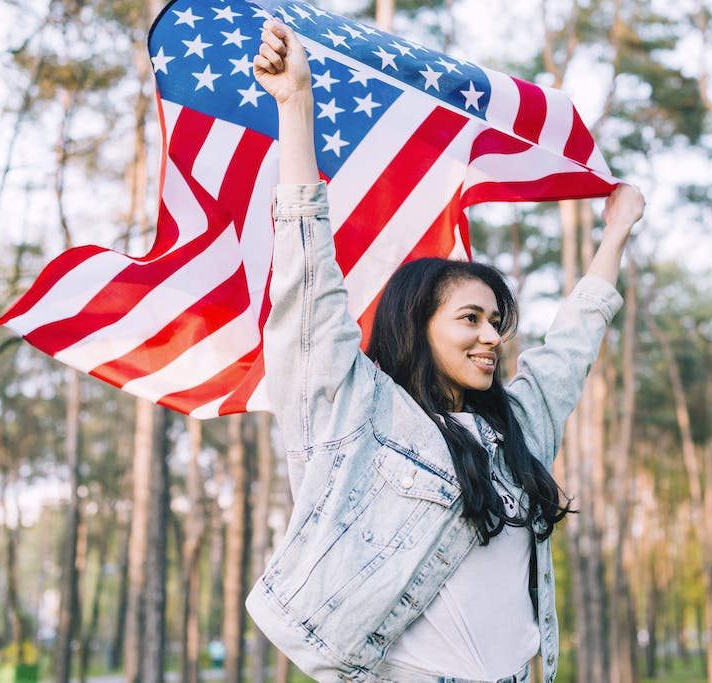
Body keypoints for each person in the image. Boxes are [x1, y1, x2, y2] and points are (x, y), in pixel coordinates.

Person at [246, 19, 645, 683]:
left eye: (496, 320)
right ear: (417, 325)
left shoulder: (518, 427)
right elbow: (305, 286)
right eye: (471, 318)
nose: (493, 336)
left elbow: (572, 343)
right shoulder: (364, 415)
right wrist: (295, 105)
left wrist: (617, 234)